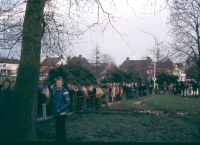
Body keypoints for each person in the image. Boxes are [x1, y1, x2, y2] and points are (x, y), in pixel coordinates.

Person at [53, 76, 70, 142]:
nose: (59, 84)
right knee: (57, 129)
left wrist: (59, 109)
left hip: (62, 113)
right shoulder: (55, 91)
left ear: (62, 83)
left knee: (61, 129)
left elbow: (68, 103)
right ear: (56, 83)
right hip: (56, 114)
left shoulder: (65, 91)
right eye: (58, 82)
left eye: (60, 82)